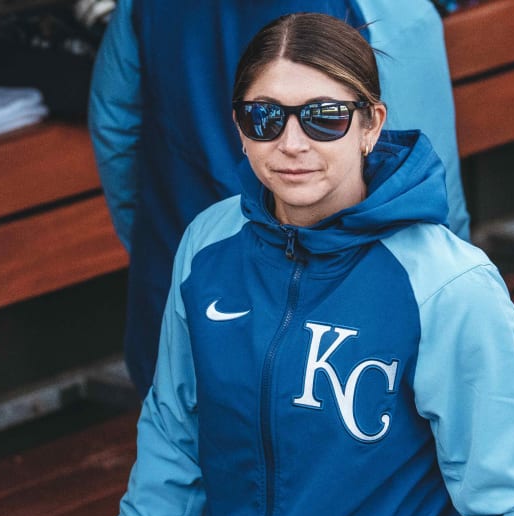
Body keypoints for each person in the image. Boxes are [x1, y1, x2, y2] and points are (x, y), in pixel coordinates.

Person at [91, 13, 514, 516]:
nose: (292, 144)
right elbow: (171, 456)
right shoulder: (207, 246)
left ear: (371, 125)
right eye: (264, 117)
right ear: (239, 129)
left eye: (324, 118)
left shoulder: (447, 285)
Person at [89, 0, 470, 397]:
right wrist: (463, 314)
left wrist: (155, 247)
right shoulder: (389, 9)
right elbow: (426, 173)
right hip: (338, 339)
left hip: (184, 292)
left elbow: (114, 129)